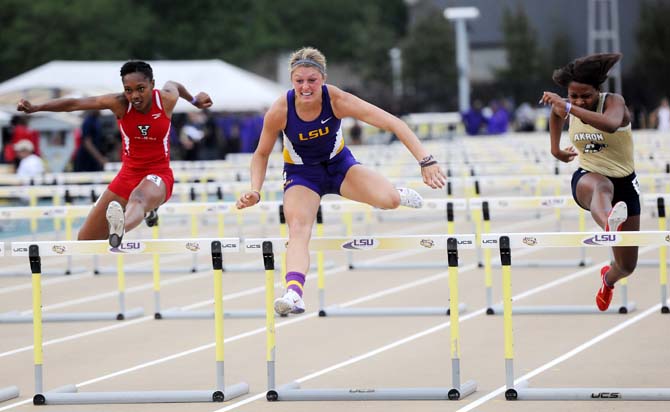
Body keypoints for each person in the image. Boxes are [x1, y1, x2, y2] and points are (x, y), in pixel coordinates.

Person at [235, 47, 446, 315]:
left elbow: (394, 123)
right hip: (302, 174)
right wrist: (255, 189)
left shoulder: (337, 100)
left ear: (323, 79)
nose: (306, 87)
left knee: (389, 201)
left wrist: (426, 161)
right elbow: (261, 153)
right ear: (292, 81)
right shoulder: (280, 109)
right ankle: (294, 294)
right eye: (299, 81)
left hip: (340, 166)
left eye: (312, 80)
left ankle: (395, 193)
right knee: (298, 229)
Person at [17, 60, 212, 246]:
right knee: (86, 241)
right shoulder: (119, 103)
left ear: (152, 84)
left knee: (139, 198)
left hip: (158, 174)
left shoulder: (166, 99)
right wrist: (36, 108)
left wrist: (194, 100)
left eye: (140, 89)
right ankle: (144, 212)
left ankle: (120, 228)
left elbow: (174, 84)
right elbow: (75, 104)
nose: (134, 96)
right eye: (128, 90)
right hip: (128, 175)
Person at [540, 53, 639, 312]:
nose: (579, 100)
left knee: (627, 266)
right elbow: (556, 115)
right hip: (588, 177)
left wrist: (570, 108)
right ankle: (608, 222)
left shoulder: (614, 102)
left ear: (598, 90)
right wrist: (555, 150)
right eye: (573, 96)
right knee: (601, 187)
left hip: (626, 184)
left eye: (586, 95)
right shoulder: (566, 105)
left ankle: (607, 279)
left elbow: (609, 124)